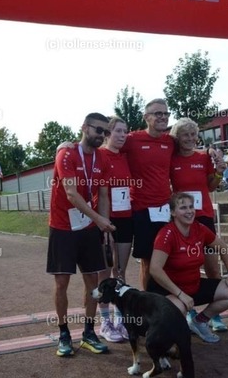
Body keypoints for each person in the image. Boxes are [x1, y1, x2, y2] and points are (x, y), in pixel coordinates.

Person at [47, 112, 116, 357]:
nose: (102, 136)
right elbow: (71, 194)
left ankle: (88, 332)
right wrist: (99, 219)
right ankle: (63, 333)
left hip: (88, 227)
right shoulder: (66, 154)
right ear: (85, 128)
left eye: (106, 132)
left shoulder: (103, 158)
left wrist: (104, 226)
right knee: (61, 283)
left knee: (92, 282)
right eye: (98, 130)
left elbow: (104, 195)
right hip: (62, 226)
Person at [148, 192, 228, 343]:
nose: (189, 211)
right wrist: (180, 294)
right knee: (178, 310)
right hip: (168, 291)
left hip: (193, 286)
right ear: (173, 212)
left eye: (191, 207)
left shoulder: (199, 229)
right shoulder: (166, 234)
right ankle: (158, 335)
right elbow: (154, 269)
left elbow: (223, 248)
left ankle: (199, 322)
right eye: (183, 208)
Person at [169, 118, 228, 332]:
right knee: (185, 266)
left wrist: (219, 172)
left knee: (212, 266)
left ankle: (213, 315)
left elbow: (211, 186)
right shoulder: (171, 159)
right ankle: (189, 310)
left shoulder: (203, 157)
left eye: (193, 135)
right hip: (181, 219)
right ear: (177, 138)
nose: (190, 139)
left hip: (203, 216)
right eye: (185, 135)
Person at [121, 98, 174, 291]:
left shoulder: (170, 141)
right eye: (158, 113)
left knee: (167, 258)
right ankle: (147, 301)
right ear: (146, 117)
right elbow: (107, 146)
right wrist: (69, 146)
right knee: (147, 259)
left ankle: (166, 300)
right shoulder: (132, 139)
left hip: (165, 208)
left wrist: (209, 150)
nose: (163, 117)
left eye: (166, 113)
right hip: (142, 209)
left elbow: (189, 146)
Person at [97, 116, 133, 343]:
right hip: (106, 221)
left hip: (126, 218)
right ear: (107, 134)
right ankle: (105, 322)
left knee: (120, 272)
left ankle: (120, 319)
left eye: (125, 131)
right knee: (105, 273)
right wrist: (104, 225)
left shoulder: (126, 156)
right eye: (118, 131)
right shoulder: (100, 155)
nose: (123, 135)